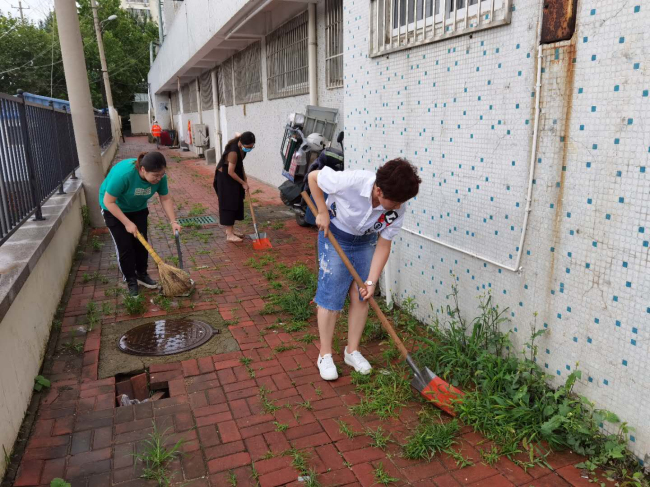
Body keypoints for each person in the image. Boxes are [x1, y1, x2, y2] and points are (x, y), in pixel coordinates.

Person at [307, 158, 422, 381]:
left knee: (362, 296)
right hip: (335, 236)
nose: (399, 207)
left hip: (365, 242)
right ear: (379, 190)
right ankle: (325, 354)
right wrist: (321, 211)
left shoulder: (398, 205)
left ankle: (352, 351)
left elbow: (384, 243)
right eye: (395, 202)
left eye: (402, 202)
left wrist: (372, 280)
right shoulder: (350, 182)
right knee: (330, 297)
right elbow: (314, 178)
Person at [100, 152, 181, 296]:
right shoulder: (123, 175)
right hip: (114, 208)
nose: (158, 178)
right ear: (142, 170)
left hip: (138, 208)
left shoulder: (160, 177)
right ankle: (131, 280)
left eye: (161, 174)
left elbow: (165, 198)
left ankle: (142, 274)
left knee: (142, 243)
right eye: (155, 175)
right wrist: (127, 223)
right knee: (125, 246)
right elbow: (108, 202)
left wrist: (173, 221)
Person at [213, 131, 256, 242]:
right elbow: (231, 172)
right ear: (242, 143)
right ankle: (229, 234)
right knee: (229, 203)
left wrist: (244, 178)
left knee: (236, 200)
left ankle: (232, 230)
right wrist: (243, 183)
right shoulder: (233, 153)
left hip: (232, 174)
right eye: (248, 147)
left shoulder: (240, 143)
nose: (250, 149)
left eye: (252, 147)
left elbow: (240, 164)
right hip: (225, 178)